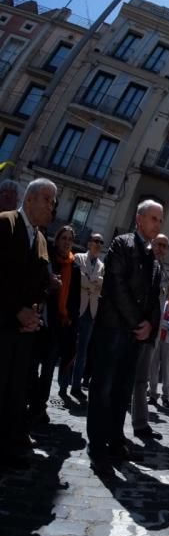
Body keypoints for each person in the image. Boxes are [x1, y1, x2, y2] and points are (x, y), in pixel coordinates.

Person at [86, 200, 163, 475]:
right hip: (114, 329)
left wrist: (150, 325)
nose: (158, 224)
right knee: (103, 388)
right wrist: (138, 322)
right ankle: (96, 445)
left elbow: (155, 297)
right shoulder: (122, 244)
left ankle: (116, 440)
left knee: (122, 390)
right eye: (154, 218)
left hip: (135, 336)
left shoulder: (153, 256)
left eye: (160, 220)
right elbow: (116, 286)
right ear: (139, 218)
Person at [0, 178, 53, 470]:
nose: (51, 206)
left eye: (53, 201)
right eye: (47, 199)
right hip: (4, 323)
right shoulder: (5, 223)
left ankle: (9, 445)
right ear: (30, 199)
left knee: (15, 389)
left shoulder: (42, 238)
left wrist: (34, 312)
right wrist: (15, 310)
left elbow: (40, 282)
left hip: (24, 331)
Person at [30, 225, 81, 421]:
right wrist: (50, 287)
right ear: (57, 240)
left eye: (70, 239)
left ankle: (39, 406)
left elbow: (74, 300)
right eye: (64, 238)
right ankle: (29, 400)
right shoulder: (47, 260)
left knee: (49, 368)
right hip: (42, 321)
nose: (67, 242)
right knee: (32, 365)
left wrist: (72, 325)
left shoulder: (74, 267)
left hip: (60, 325)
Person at [130, 233, 169, 441]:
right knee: (128, 378)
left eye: (165, 246)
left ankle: (140, 423)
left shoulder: (164, 273)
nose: (161, 249)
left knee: (141, 380)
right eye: (158, 244)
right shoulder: (142, 266)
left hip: (153, 332)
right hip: (138, 329)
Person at [71, 233, 104, 400]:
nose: (98, 244)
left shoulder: (102, 265)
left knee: (83, 351)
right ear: (89, 242)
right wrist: (94, 282)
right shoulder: (78, 257)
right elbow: (79, 280)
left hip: (91, 312)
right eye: (96, 241)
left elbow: (102, 285)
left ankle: (76, 386)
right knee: (69, 348)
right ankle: (64, 384)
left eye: (101, 242)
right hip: (77, 307)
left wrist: (90, 281)